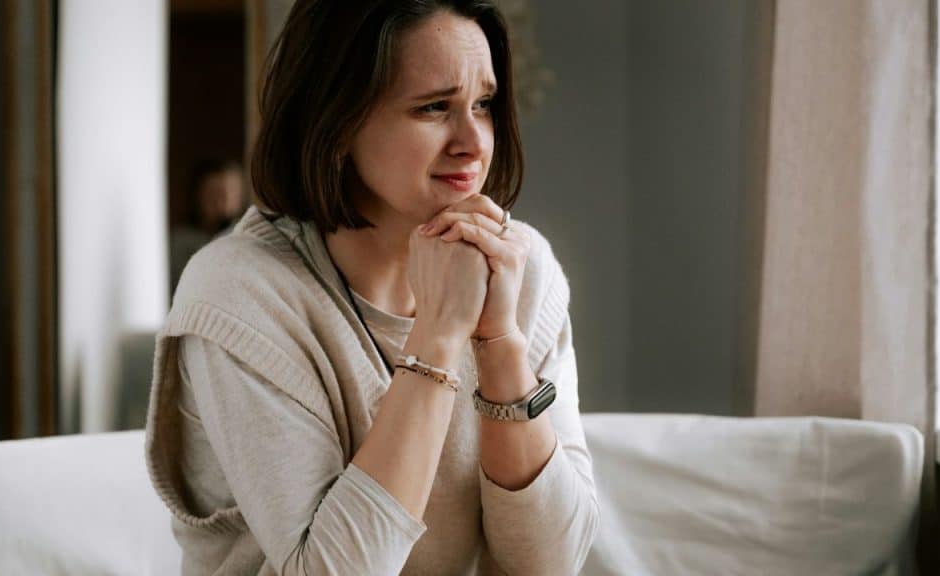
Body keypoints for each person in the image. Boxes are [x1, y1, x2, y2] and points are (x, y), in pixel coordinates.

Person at [146, 1, 600, 574]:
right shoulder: (240, 295)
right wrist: (438, 336)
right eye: (434, 107)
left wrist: (501, 341)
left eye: (483, 104)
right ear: (337, 121)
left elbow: (553, 563)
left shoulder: (520, 267)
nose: (473, 141)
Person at [169, 158, 249, 296]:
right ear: (198, 194)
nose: (224, 199)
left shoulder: (247, 237)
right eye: (214, 192)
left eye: (232, 191)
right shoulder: (180, 241)